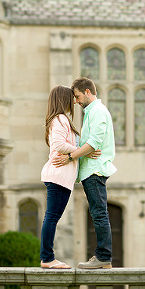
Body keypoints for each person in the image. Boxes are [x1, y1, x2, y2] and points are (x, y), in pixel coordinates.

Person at [52, 77, 116, 269]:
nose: (76, 101)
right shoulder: (91, 112)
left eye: (78, 96)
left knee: (99, 214)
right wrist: (84, 147)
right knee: (98, 213)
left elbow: (94, 143)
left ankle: (103, 256)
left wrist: (71, 156)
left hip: (94, 171)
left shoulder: (97, 111)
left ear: (87, 92)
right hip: (91, 170)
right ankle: (103, 256)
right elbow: (91, 143)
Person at [39, 85, 98, 269]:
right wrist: (83, 152)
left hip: (60, 178)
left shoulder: (60, 119)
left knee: (52, 217)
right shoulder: (60, 119)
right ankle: (47, 258)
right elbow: (58, 144)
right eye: (71, 98)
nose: (74, 101)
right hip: (57, 177)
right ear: (63, 99)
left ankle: (47, 257)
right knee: (51, 217)